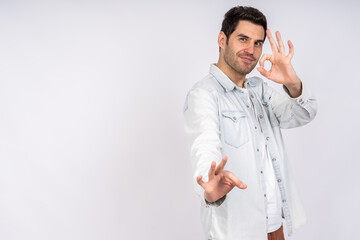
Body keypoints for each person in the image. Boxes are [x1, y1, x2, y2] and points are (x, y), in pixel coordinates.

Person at [183, 6, 317, 240]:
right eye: (243, 39)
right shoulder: (204, 94)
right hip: (238, 232)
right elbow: (204, 147)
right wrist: (210, 187)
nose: (251, 50)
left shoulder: (260, 89)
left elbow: (303, 114)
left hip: (275, 228)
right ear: (222, 39)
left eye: (258, 43)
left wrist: (293, 82)